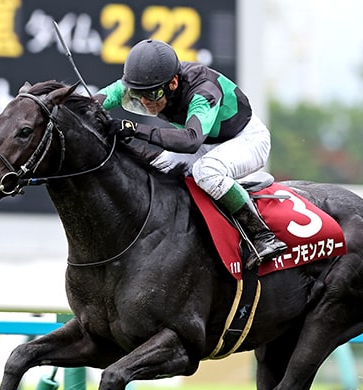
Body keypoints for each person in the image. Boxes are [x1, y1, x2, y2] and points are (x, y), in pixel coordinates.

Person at [94, 39, 287, 270]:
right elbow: (93, 102)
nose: (145, 102)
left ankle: (263, 236)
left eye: (152, 94)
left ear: (173, 83)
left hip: (246, 140)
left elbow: (190, 141)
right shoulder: (147, 81)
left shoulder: (202, 90)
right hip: (207, 141)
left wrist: (135, 129)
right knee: (157, 172)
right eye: (139, 94)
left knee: (206, 171)